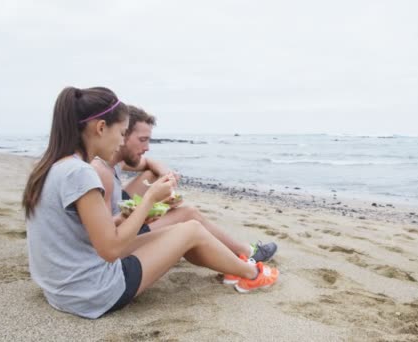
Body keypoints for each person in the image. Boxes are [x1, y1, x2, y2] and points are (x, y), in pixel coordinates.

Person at [22, 87, 279, 319]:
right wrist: (149, 199)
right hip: (92, 292)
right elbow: (109, 251)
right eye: (121, 133)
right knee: (190, 229)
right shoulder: (81, 173)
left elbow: (83, 233)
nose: (122, 141)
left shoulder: (52, 166)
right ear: (101, 128)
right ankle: (252, 275)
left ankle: (238, 267)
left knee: (185, 226)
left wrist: (123, 219)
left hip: (62, 288)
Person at [90, 105, 277, 263]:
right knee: (189, 213)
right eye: (142, 140)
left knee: (151, 173)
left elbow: (148, 163)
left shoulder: (114, 161)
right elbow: (106, 237)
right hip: (117, 237)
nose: (147, 147)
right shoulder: (99, 171)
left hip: (118, 216)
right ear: (122, 135)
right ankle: (246, 252)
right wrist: (146, 206)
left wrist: (165, 176)